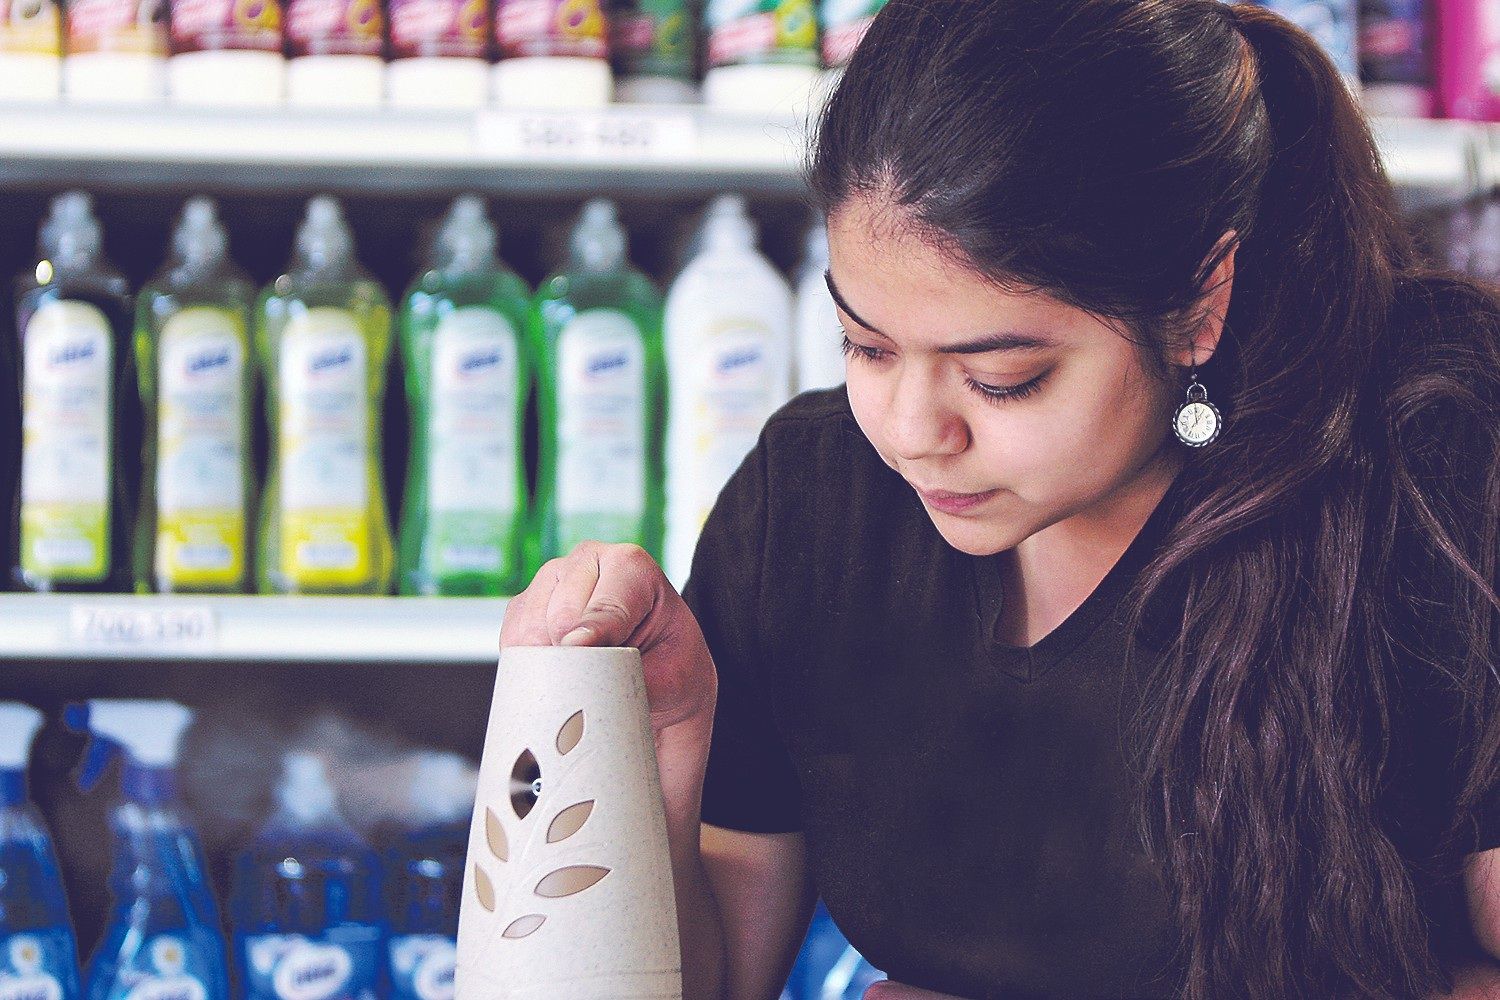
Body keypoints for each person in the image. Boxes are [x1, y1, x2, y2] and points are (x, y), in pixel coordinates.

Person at [499, 1, 1500, 997]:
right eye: (866, 345)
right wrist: (660, 745)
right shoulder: (811, 502)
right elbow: (700, 984)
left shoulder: (1431, 475)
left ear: (1200, 304)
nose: (908, 429)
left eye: (1003, 377)